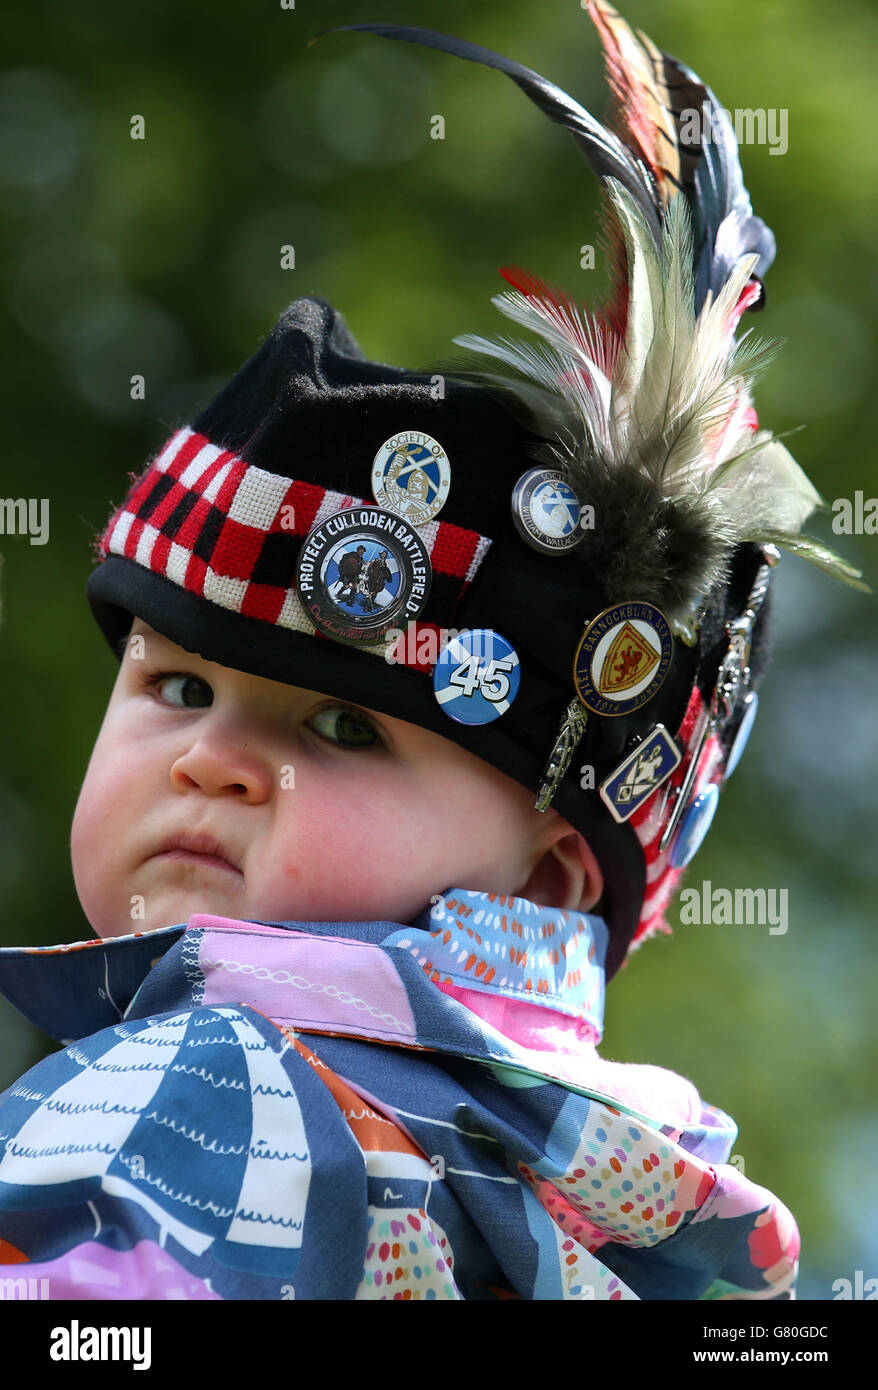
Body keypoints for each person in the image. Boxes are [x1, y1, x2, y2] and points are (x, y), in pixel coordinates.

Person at [0, 4, 863, 1301]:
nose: (214, 763)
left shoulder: (174, 1107)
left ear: (556, 874)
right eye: (177, 686)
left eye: (342, 726)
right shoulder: (664, 1180)